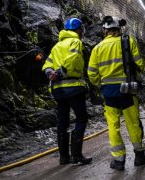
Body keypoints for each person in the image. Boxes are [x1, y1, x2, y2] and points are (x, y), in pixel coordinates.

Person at [87, 16, 145, 171]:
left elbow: (92, 74)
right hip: (128, 91)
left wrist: (101, 85)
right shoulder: (129, 42)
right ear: (118, 29)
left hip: (109, 93)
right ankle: (139, 156)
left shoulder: (97, 48)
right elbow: (139, 64)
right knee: (133, 124)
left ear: (105, 30)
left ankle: (119, 160)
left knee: (113, 126)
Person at [42, 17, 92, 165]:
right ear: (78, 29)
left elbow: (47, 64)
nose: (82, 32)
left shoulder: (57, 46)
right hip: (73, 87)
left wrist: (50, 72)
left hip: (58, 90)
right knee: (81, 118)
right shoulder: (76, 42)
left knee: (62, 122)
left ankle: (64, 157)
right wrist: (60, 72)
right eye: (81, 30)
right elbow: (73, 58)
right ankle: (77, 156)